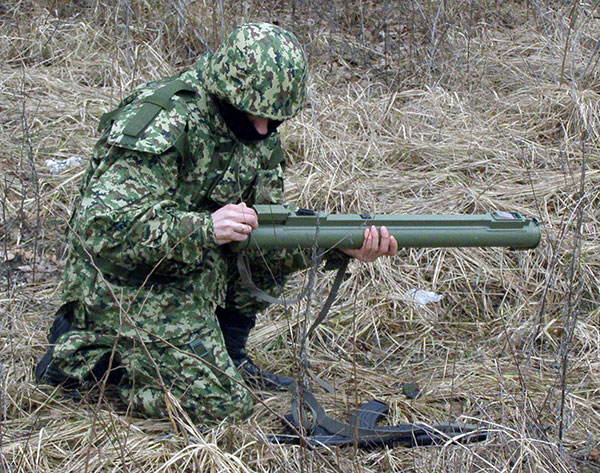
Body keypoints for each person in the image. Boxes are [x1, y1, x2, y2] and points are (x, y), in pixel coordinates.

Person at [35, 23, 397, 424]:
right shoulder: (165, 120)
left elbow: (261, 241)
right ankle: (87, 359)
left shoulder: (259, 132)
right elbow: (101, 231)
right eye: (254, 116)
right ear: (227, 91)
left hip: (190, 272)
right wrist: (205, 229)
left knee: (257, 251)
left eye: (274, 120)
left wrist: (336, 245)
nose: (263, 130)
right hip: (125, 283)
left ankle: (229, 355)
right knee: (222, 407)